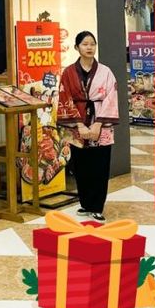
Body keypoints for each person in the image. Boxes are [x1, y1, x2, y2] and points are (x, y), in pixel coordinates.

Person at [57, 31, 119, 222]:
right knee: (80, 165)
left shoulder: (106, 72)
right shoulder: (68, 72)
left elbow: (111, 97)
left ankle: (97, 206)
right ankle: (85, 203)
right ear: (77, 47)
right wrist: (79, 125)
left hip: (101, 123)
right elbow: (65, 97)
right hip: (77, 123)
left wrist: (98, 124)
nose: (89, 47)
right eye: (85, 44)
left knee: (100, 164)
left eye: (92, 44)